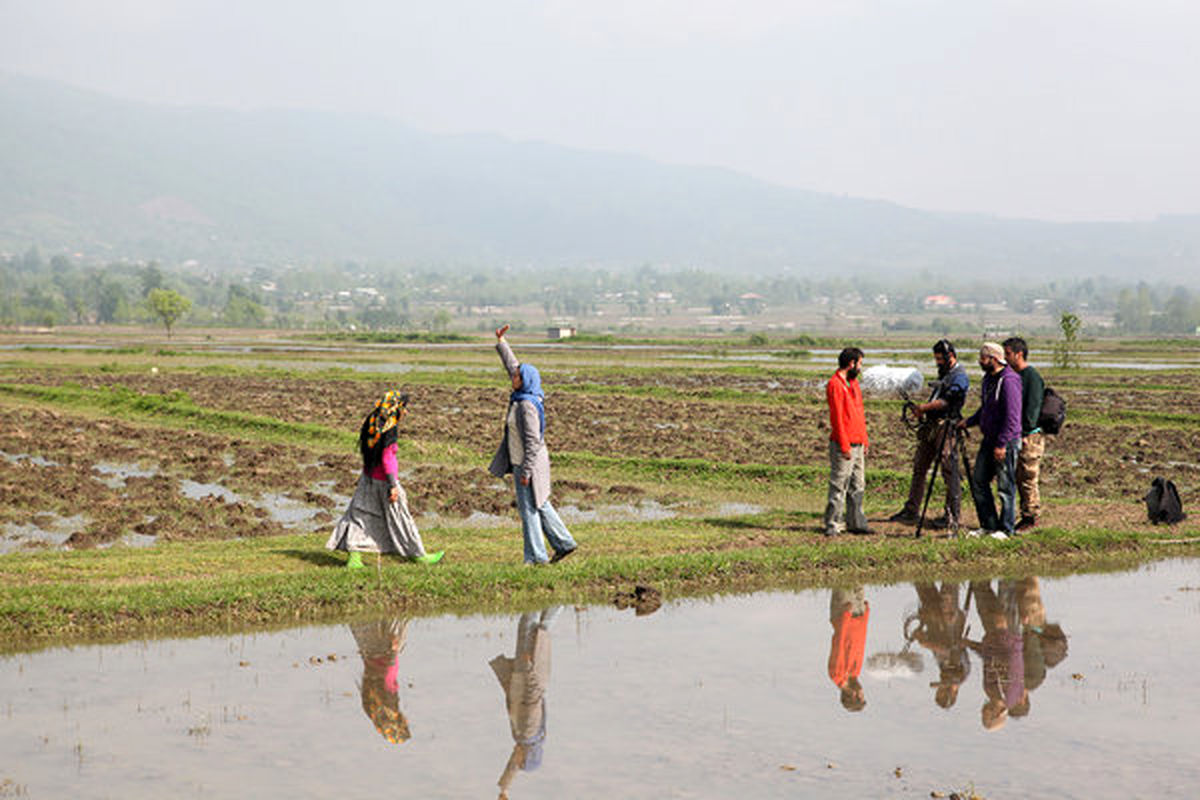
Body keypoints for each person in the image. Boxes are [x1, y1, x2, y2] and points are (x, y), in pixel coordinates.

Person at [489, 325, 578, 565]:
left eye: (517, 376)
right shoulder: (523, 394)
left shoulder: (527, 407)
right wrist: (502, 342)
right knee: (540, 503)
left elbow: (533, 441)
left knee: (529, 511)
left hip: (528, 463)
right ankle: (564, 542)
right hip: (524, 461)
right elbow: (513, 366)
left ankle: (537, 558)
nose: (513, 377)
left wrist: (526, 471)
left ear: (524, 380)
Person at [327, 390, 444, 567]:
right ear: (396, 408)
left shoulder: (371, 421)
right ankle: (418, 555)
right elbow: (387, 458)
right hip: (384, 480)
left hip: (367, 478)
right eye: (404, 408)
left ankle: (354, 558)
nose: (406, 412)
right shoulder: (390, 429)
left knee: (359, 515)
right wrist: (392, 485)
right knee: (400, 516)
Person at [889, 339, 971, 531]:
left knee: (948, 469)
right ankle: (911, 510)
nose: (938, 363)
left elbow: (947, 401)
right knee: (919, 466)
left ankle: (952, 516)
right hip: (931, 427)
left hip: (947, 427)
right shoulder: (944, 374)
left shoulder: (959, 376)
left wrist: (924, 408)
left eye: (940, 359)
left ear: (951, 357)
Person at [491, 606, 562, 799]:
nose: (516, 758)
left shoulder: (528, 739)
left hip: (529, 674)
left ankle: (556, 599)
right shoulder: (527, 732)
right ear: (527, 755)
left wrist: (504, 790)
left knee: (541, 631)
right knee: (530, 627)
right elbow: (531, 700)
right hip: (528, 673)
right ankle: (541, 598)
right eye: (521, 761)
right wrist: (527, 667)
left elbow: (513, 763)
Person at [958, 342, 1022, 536]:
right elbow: (986, 409)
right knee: (978, 480)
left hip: (1006, 442)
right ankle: (989, 524)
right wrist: (968, 422)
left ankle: (1006, 529)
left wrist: (1002, 444)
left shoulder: (1009, 381)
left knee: (1005, 485)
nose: (980, 361)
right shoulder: (988, 379)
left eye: (983, 358)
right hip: (989, 439)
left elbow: (1012, 417)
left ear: (993, 359)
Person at [824, 346, 871, 536]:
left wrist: (865, 440)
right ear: (851, 363)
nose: (860, 368)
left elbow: (859, 414)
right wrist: (844, 445)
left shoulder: (854, 384)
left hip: (858, 442)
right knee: (839, 485)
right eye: (860, 364)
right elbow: (837, 418)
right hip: (844, 443)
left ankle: (856, 523)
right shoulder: (835, 384)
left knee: (858, 485)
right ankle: (833, 524)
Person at [966, 580, 1026, 731]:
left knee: (981, 589)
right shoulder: (1002, 691)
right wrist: (1002, 630)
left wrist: (969, 645)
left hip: (995, 635)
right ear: (997, 714)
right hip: (1003, 633)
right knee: (993, 590)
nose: (981, 711)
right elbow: (1010, 659)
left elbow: (989, 659)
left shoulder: (998, 694)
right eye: (985, 715)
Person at [1002, 337, 1046, 531]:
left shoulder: (1032, 377)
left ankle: (1031, 517)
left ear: (1019, 354)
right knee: (1018, 476)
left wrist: (1024, 432)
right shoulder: (1014, 376)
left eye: (1008, 354)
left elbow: (1032, 410)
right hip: (1017, 433)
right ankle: (1023, 514)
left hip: (1030, 435)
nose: (1005, 358)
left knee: (1028, 476)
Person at [907, 582, 971, 709]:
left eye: (940, 691)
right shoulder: (960, 674)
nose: (942, 686)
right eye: (943, 691)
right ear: (953, 692)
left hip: (934, 618)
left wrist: (922, 633)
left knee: (922, 583)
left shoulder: (944, 669)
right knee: (949, 584)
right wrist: (926, 643)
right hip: (949, 620)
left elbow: (939, 646)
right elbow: (951, 651)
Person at [350, 618, 412, 744]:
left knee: (383, 619)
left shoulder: (389, 699)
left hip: (384, 648)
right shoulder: (371, 703)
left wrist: (393, 647)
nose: (407, 721)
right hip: (370, 650)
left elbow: (388, 670)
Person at [828, 587, 868, 711]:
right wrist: (866, 616)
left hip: (844, 615)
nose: (862, 690)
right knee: (858, 580)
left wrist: (845, 616)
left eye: (860, 695)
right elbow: (861, 642)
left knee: (844, 583)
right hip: (858, 615)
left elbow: (839, 642)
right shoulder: (855, 674)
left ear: (852, 694)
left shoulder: (836, 674)